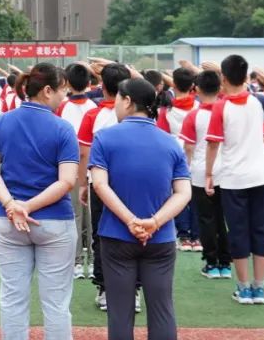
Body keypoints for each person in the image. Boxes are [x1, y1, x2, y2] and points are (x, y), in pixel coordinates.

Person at [89, 78, 192, 340]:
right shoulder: (171, 142)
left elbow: (100, 185)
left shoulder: (104, 138)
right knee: (162, 309)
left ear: (127, 101)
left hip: (116, 235)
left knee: (120, 312)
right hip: (161, 238)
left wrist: (130, 220)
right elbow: (183, 193)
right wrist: (154, 222)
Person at [0, 63, 79, 340]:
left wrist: (13, 205)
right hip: (54, 222)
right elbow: (67, 181)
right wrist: (26, 206)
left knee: (12, 300)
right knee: (56, 304)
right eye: (63, 91)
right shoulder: (63, 128)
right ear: (47, 91)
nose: (64, 97)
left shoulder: (3, 121)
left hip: (9, 220)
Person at [204, 55, 264, 306]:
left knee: (238, 232)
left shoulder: (221, 107)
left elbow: (213, 145)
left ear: (223, 78)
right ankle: (259, 288)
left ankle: (244, 288)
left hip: (234, 179)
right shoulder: (260, 101)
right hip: (260, 177)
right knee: (261, 232)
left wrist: (209, 174)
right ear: (247, 78)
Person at [77, 62, 130, 311]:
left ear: (102, 86)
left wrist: (83, 184)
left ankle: (105, 289)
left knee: (102, 236)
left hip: (99, 184)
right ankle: (133, 291)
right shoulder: (135, 114)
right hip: (130, 184)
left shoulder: (93, 115)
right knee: (131, 233)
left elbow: (84, 154)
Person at [179, 69, 232, 280]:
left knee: (206, 219)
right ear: (220, 88)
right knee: (223, 219)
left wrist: (187, 170)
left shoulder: (194, 115)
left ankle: (211, 263)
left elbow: (189, 148)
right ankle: (226, 263)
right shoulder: (228, 110)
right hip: (226, 170)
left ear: (197, 89)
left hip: (201, 171)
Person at [56, 62, 97, 280]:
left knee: (74, 216)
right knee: (91, 217)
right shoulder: (94, 107)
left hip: (70, 168)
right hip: (92, 169)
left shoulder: (63, 107)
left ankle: (77, 262)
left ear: (68, 83)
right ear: (89, 83)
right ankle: (91, 258)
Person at [155, 66, 200, 252]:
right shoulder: (199, 107)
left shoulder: (167, 109)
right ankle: (197, 236)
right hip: (198, 155)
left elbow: (162, 134)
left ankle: (183, 234)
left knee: (178, 193)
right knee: (196, 196)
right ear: (192, 86)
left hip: (174, 155)